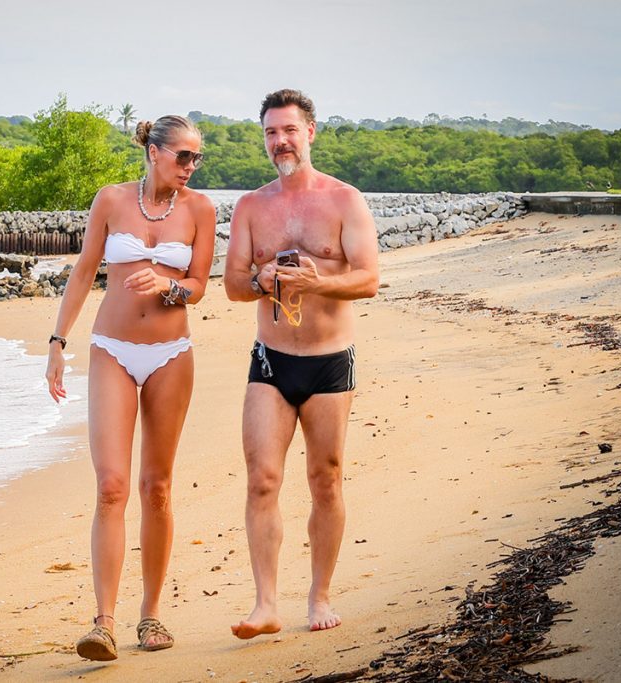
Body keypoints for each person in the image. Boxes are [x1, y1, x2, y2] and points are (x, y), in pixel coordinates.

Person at [45, 115, 216, 661]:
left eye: (197, 158)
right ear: (154, 152)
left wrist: (169, 285)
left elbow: (199, 286)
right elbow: (83, 271)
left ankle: (151, 616)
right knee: (112, 485)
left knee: (157, 486)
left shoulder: (200, 209)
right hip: (111, 350)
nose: (191, 167)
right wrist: (56, 342)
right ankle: (104, 622)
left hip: (171, 354)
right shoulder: (111, 200)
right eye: (183, 156)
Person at [223, 89, 379, 639]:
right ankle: (265, 604)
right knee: (263, 480)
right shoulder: (251, 206)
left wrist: (320, 281)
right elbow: (233, 287)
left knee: (325, 479)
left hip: (329, 363)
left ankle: (320, 595)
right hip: (270, 360)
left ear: (311, 132)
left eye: (288, 130)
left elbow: (368, 279)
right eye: (270, 132)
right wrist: (261, 280)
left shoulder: (345, 201)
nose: (279, 141)